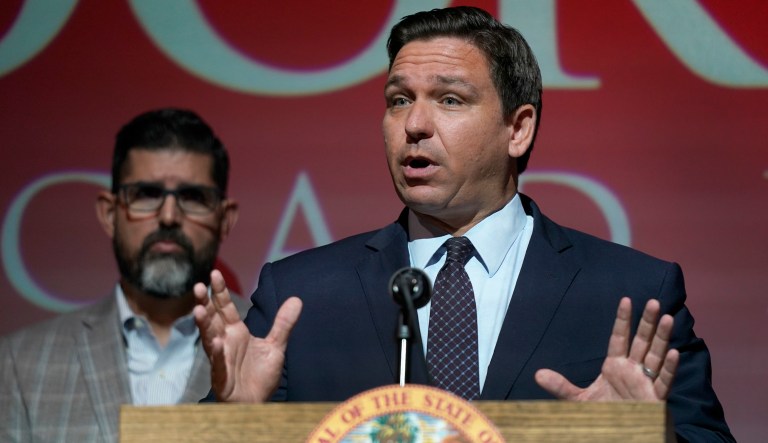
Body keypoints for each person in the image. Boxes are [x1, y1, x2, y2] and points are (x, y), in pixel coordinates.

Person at [193, 7, 733, 441]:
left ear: (517, 129)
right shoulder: (302, 295)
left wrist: (644, 440)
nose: (414, 125)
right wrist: (235, 424)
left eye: (450, 99)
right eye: (398, 100)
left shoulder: (630, 293)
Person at [0, 108, 248, 442]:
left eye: (193, 197)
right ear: (109, 214)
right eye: (146, 194)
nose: (169, 216)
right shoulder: (19, 362)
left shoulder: (272, 347)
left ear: (225, 219)